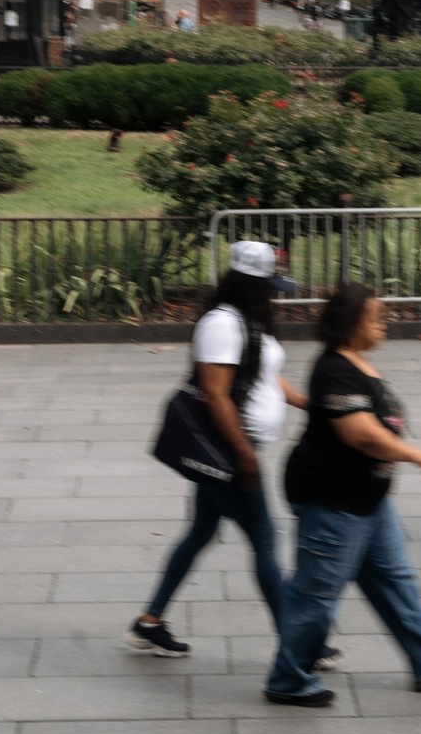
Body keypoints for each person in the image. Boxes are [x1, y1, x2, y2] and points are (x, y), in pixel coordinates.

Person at [265, 283, 421, 705]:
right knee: (316, 594)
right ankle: (287, 679)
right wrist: (419, 456)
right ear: (348, 323)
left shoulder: (354, 362)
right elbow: (362, 435)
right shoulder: (334, 369)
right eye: (375, 316)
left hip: (367, 500)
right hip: (333, 499)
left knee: (394, 581)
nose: (384, 322)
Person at [129, 242, 306, 658]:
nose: (275, 294)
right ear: (249, 284)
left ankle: (149, 622)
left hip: (239, 447)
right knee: (265, 538)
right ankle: (297, 642)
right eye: (269, 286)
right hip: (229, 450)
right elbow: (216, 394)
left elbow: (269, 376)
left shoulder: (252, 320)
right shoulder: (222, 324)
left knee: (200, 532)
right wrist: (245, 455)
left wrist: (309, 404)